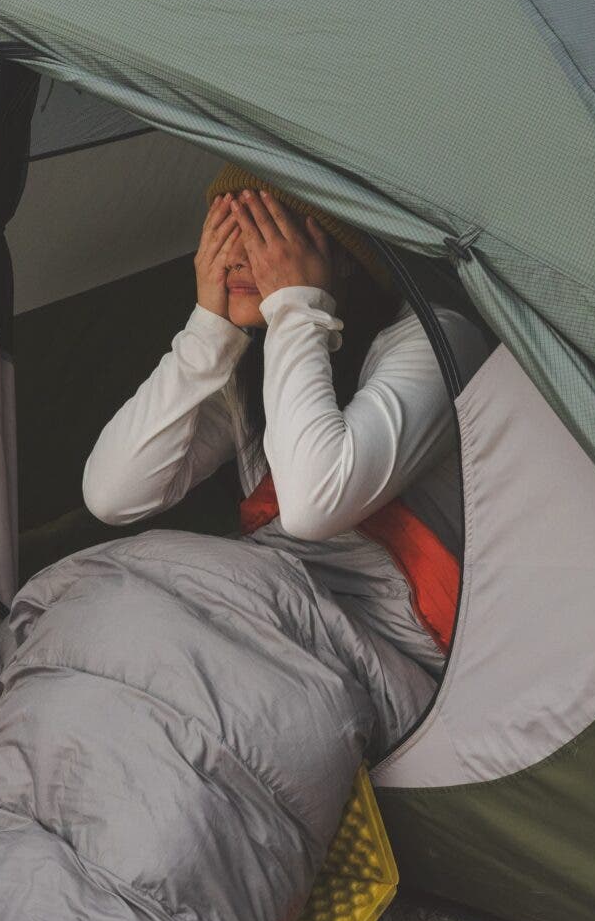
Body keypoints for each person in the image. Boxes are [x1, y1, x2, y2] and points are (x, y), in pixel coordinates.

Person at [82, 165, 485, 675]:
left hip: (423, 652)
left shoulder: (438, 342)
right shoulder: (258, 355)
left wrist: (297, 308)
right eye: (225, 229)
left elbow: (313, 504)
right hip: (292, 619)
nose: (235, 256)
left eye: (263, 229)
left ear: (342, 254)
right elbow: (113, 494)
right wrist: (207, 332)